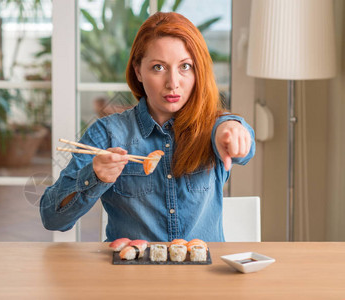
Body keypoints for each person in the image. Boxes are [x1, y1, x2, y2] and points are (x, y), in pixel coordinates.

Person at [40, 12, 255, 242]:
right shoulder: (108, 134)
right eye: (158, 68)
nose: (173, 83)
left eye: (185, 66)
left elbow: (243, 146)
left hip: (200, 274)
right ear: (138, 71)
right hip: (131, 274)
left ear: (198, 71)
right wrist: (94, 176)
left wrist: (233, 128)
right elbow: (52, 218)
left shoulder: (215, 128)